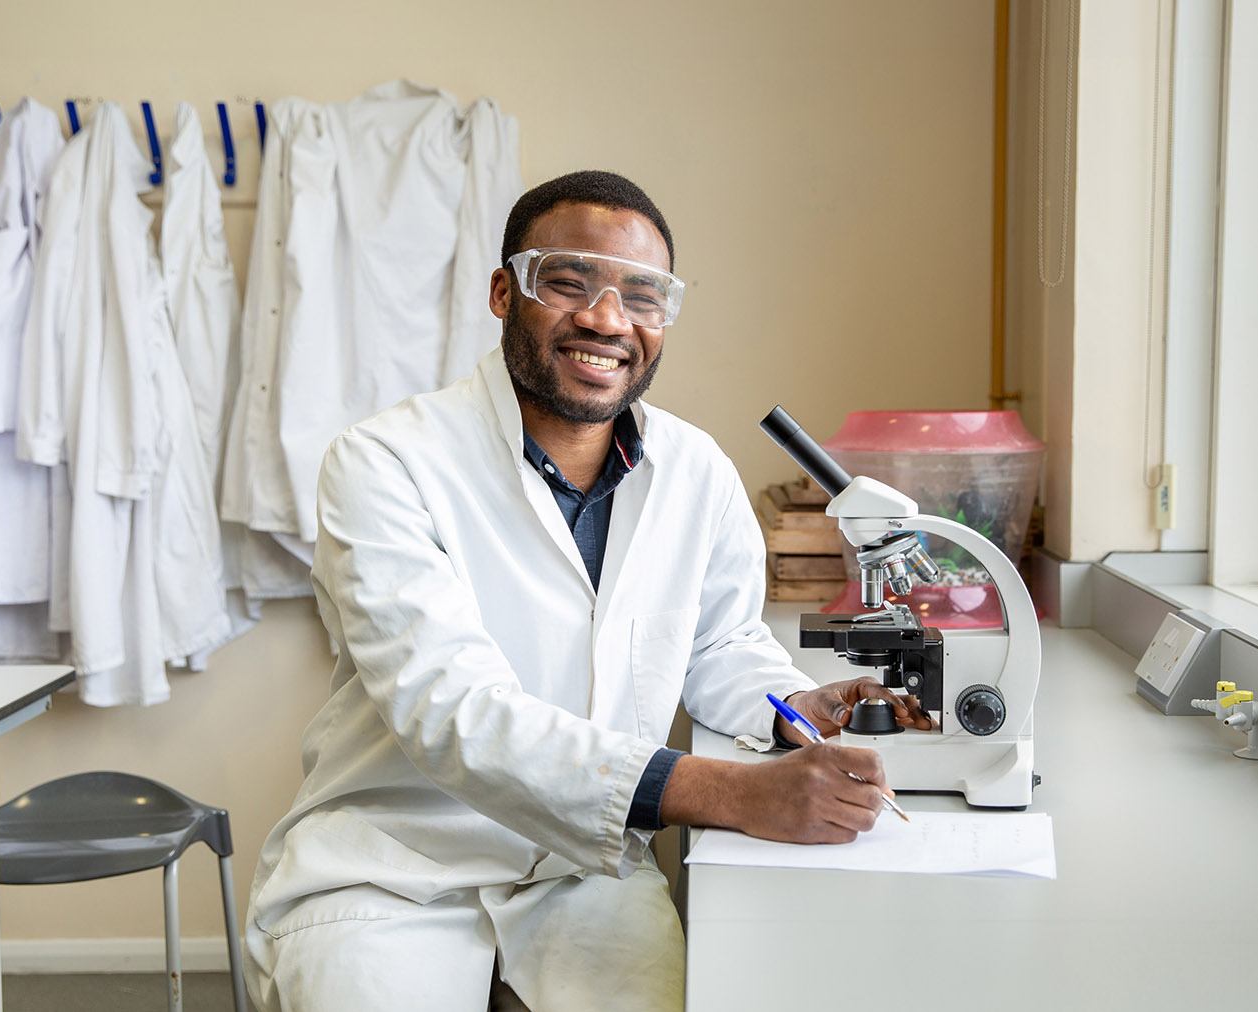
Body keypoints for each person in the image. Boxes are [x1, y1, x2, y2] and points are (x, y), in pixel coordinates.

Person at [243, 170, 930, 1012]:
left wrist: (796, 704)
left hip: (585, 866)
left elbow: (717, 642)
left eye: (642, 296)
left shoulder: (694, 469)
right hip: (396, 864)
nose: (607, 320)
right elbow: (450, 709)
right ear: (504, 292)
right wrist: (731, 793)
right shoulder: (385, 463)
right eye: (568, 282)